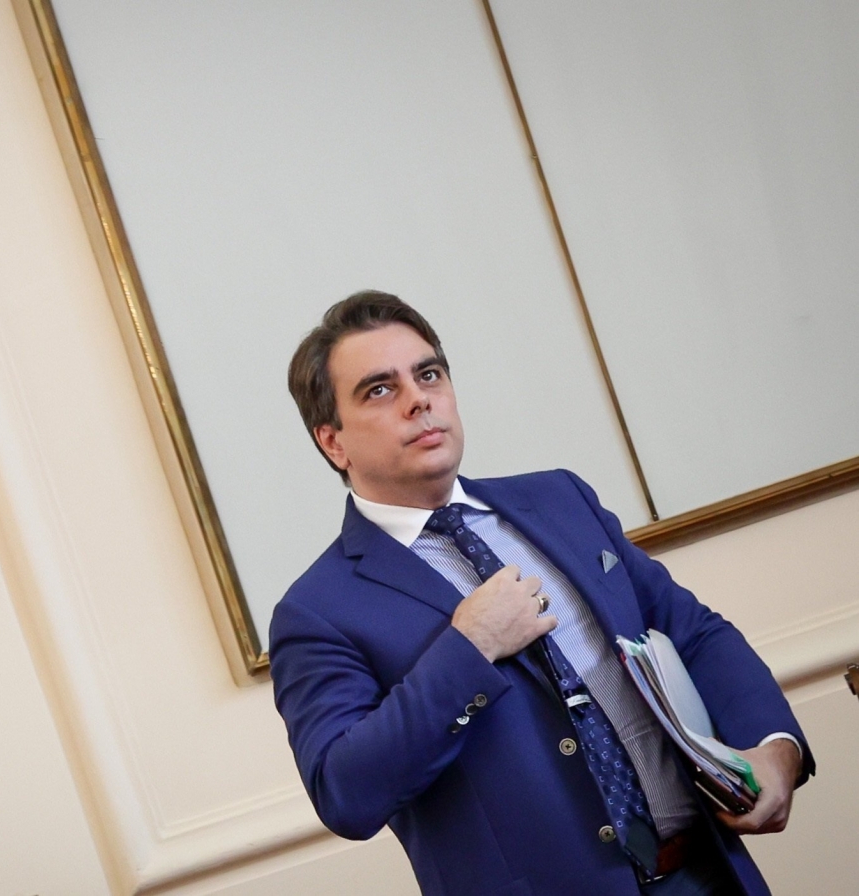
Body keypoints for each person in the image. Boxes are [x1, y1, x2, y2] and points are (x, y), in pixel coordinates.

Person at [270, 291, 812, 895]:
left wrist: (774, 746)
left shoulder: (560, 500)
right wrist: (469, 648)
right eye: (379, 389)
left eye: (429, 375)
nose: (418, 399)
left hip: (708, 874)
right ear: (333, 442)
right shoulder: (318, 611)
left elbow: (693, 633)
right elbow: (346, 794)